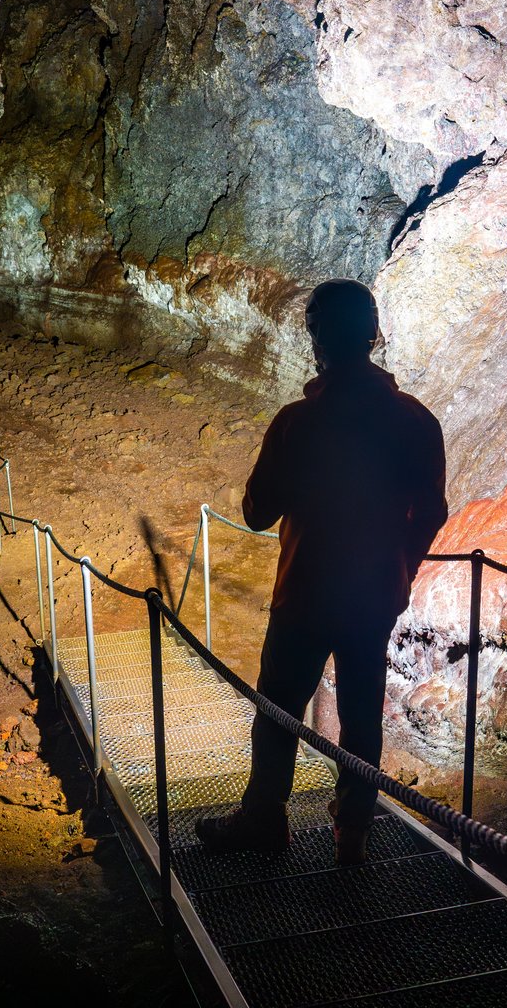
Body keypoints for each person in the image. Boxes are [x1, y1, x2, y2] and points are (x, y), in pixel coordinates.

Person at [196, 279, 448, 866]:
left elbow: (256, 513)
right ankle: (353, 828)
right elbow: (431, 511)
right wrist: (401, 568)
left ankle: (264, 819)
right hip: (372, 595)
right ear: (372, 333)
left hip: (306, 592)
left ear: (317, 339)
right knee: (362, 716)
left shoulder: (297, 423)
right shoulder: (415, 421)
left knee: (279, 711)